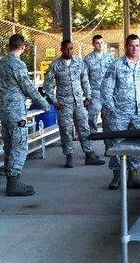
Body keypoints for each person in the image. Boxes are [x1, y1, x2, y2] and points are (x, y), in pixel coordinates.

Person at [0, 34, 51, 197]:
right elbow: (28, 88)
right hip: (16, 110)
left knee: (9, 145)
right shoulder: (18, 65)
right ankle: (13, 182)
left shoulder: (1, 63)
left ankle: (10, 180)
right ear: (23, 47)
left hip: (4, 109)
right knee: (19, 145)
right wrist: (45, 104)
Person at [100, 34, 140, 190]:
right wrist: (113, 110)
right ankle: (117, 176)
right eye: (131, 45)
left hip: (138, 114)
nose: (134, 48)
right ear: (126, 46)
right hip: (119, 114)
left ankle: (133, 176)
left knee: (137, 144)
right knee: (116, 143)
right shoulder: (116, 65)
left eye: (137, 46)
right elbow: (106, 90)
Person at [43, 39, 105, 168]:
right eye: (67, 48)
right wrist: (54, 101)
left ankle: (89, 154)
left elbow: (85, 80)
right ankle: (69, 156)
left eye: (71, 48)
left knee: (84, 127)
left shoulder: (79, 62)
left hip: (78, 102)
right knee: (65, 130)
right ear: (61, 49)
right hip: (63, 103)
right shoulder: (55, 65)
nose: (69, 51)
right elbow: (47, 85)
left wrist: (88, 97)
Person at [83, 34, 115, 132]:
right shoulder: (88, 59)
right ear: (93, 44)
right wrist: (87, 97)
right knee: (91, 119)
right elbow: (84, 79)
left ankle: (109, 145)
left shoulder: (110, 58)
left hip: (108, 95)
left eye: (101, 43)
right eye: (97, 43)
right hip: (94, 95)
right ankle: (91, 142)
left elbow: (114, 77)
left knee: (109, 122)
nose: (100, 45)